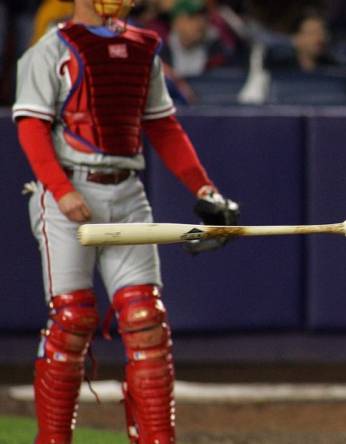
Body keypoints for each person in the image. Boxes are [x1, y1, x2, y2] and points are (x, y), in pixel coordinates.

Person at [13, 0, 238, 442]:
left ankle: (156, 438)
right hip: (69, 191)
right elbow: (31, 128)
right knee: (72, 319)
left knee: (145, 319)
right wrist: (61, 190)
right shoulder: (49, 49)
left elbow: (163, 126)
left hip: (126, 190)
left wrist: (204, 188)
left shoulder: (142, 48)